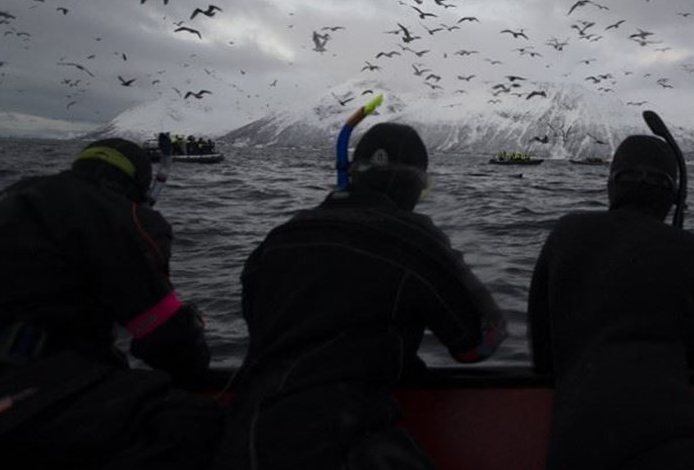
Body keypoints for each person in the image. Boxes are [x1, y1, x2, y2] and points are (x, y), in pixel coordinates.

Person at [213, 122, 506, 470]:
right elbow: (474, 345)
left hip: (240, 441)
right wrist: (454, 268)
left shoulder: (279, 238)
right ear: (411, 185)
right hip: (341, 445)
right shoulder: (415, 242)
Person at [0, 138, 219, 469]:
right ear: (136, 184)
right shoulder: (122, 214)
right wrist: (197, 369)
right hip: (6, 389)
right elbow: (164, 335)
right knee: (202, 426)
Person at [528, 135, 694, 470]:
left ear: (612, 186)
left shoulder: (565, 233)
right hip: (679, 440)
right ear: (671, 197)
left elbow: (542, 351)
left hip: (575, 446)